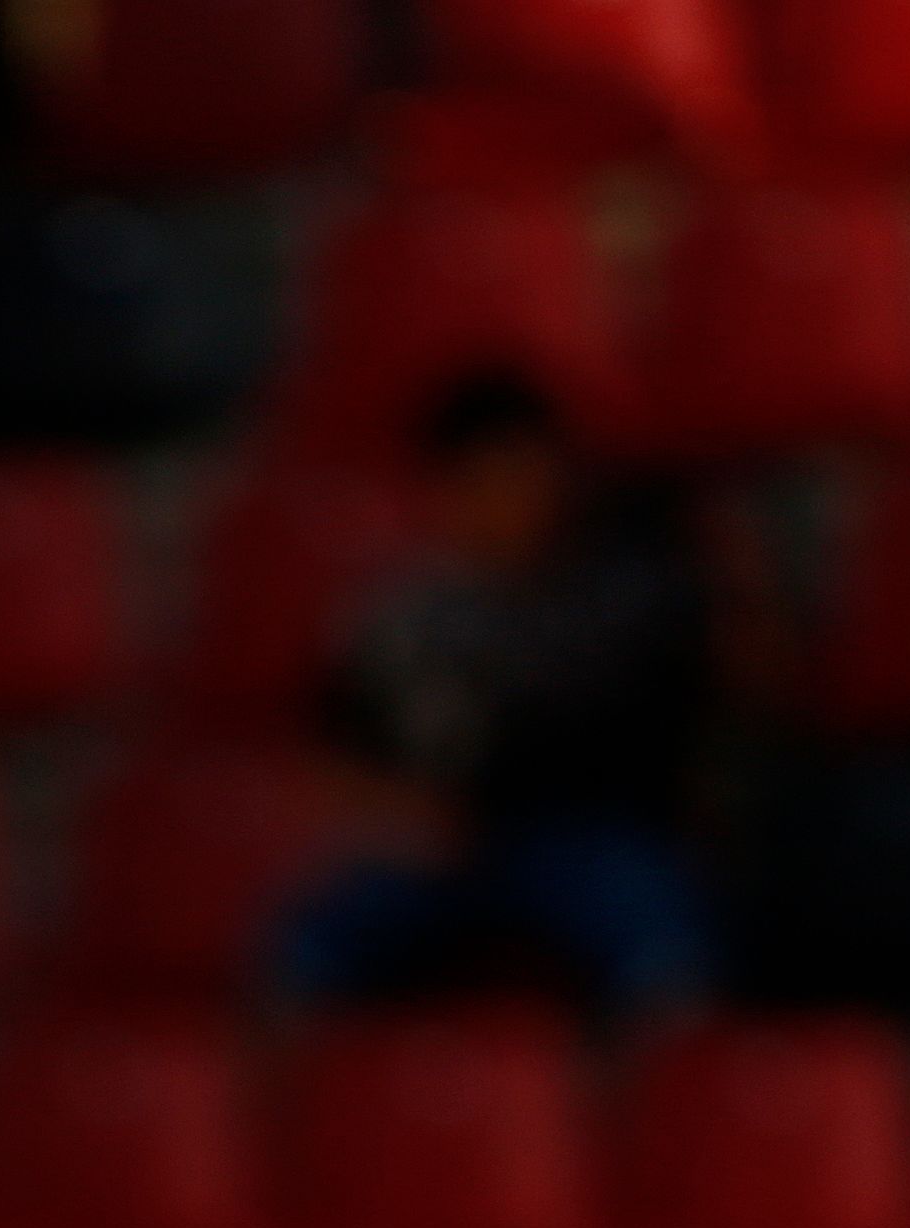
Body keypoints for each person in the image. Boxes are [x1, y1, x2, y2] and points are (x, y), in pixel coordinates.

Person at [277, 369, 738, 1015]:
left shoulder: (622, 603)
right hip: (441, 845)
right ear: (440, 490)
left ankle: (657, 1098)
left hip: (590, 839)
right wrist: (401, 818)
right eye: (481, 480)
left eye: (524, 475)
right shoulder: (399, 619)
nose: (507, 499)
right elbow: (332, 765)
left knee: (659, 944)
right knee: (308, 947)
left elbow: (699, 727)